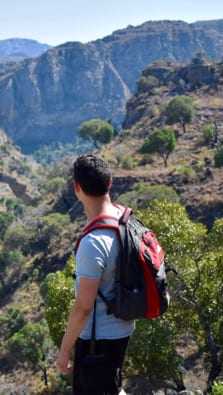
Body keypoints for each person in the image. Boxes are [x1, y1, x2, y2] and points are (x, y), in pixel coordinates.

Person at [55, 154, 135, 394]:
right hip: (124, 327)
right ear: (110, 182)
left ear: (77, 188)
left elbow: (83, 308)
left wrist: (65, 350)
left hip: (97, 340)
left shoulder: (93, 243)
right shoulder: (125, 220)